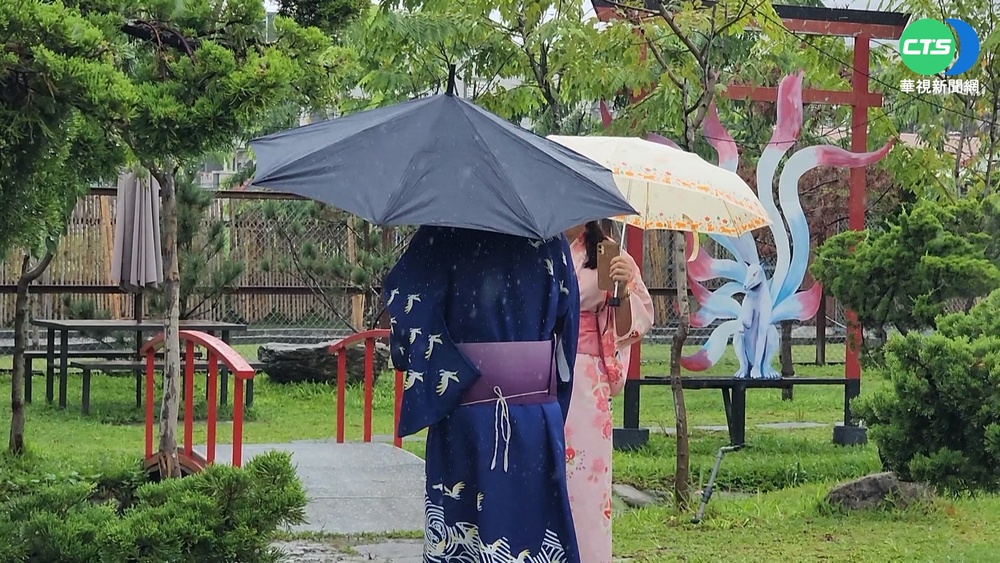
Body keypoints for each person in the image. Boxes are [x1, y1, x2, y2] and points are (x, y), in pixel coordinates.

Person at [384, 225, 582, 562]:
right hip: (533, 416)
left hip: (464, 416)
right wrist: (546, 402)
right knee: (531, 539)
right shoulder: (549, 238)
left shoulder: (442, 232)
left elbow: (406, 327)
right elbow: (567, 338)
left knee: (463, 542)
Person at [563, 221, 653, 563]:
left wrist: (622, 288)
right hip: (540, 373)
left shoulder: (606, 252)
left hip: (586, 377)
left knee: (585, 481)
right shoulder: (539, 245)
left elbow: (630, 326)